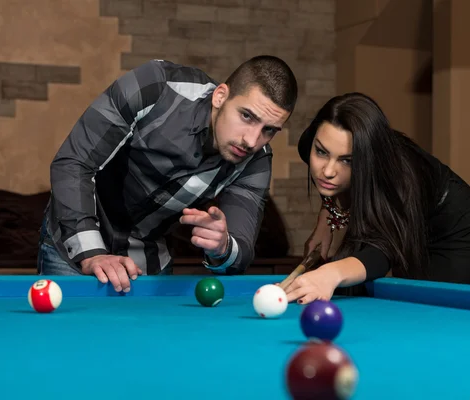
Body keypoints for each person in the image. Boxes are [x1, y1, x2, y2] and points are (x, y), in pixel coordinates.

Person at [38, 56, 298, 293]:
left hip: (147, 262)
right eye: (246, 116)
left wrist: (223, 246)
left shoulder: (256, 161)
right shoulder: (156, 87)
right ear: (220, 96)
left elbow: (240, 251)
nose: (252, 141)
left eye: (270, 130)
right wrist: (93, 254)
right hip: (74, 244)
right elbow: (73, 163)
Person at [283, 92, 470, 304]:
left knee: (423, 312)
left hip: (457, 235)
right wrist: (327, 213)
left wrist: (330, 274)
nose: (328, 171)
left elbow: (382, 253)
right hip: (404, 220)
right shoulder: (310, 145)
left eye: (347, 161)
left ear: (367, 160)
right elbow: (329, 183)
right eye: (322, 152)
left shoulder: (398, 179)